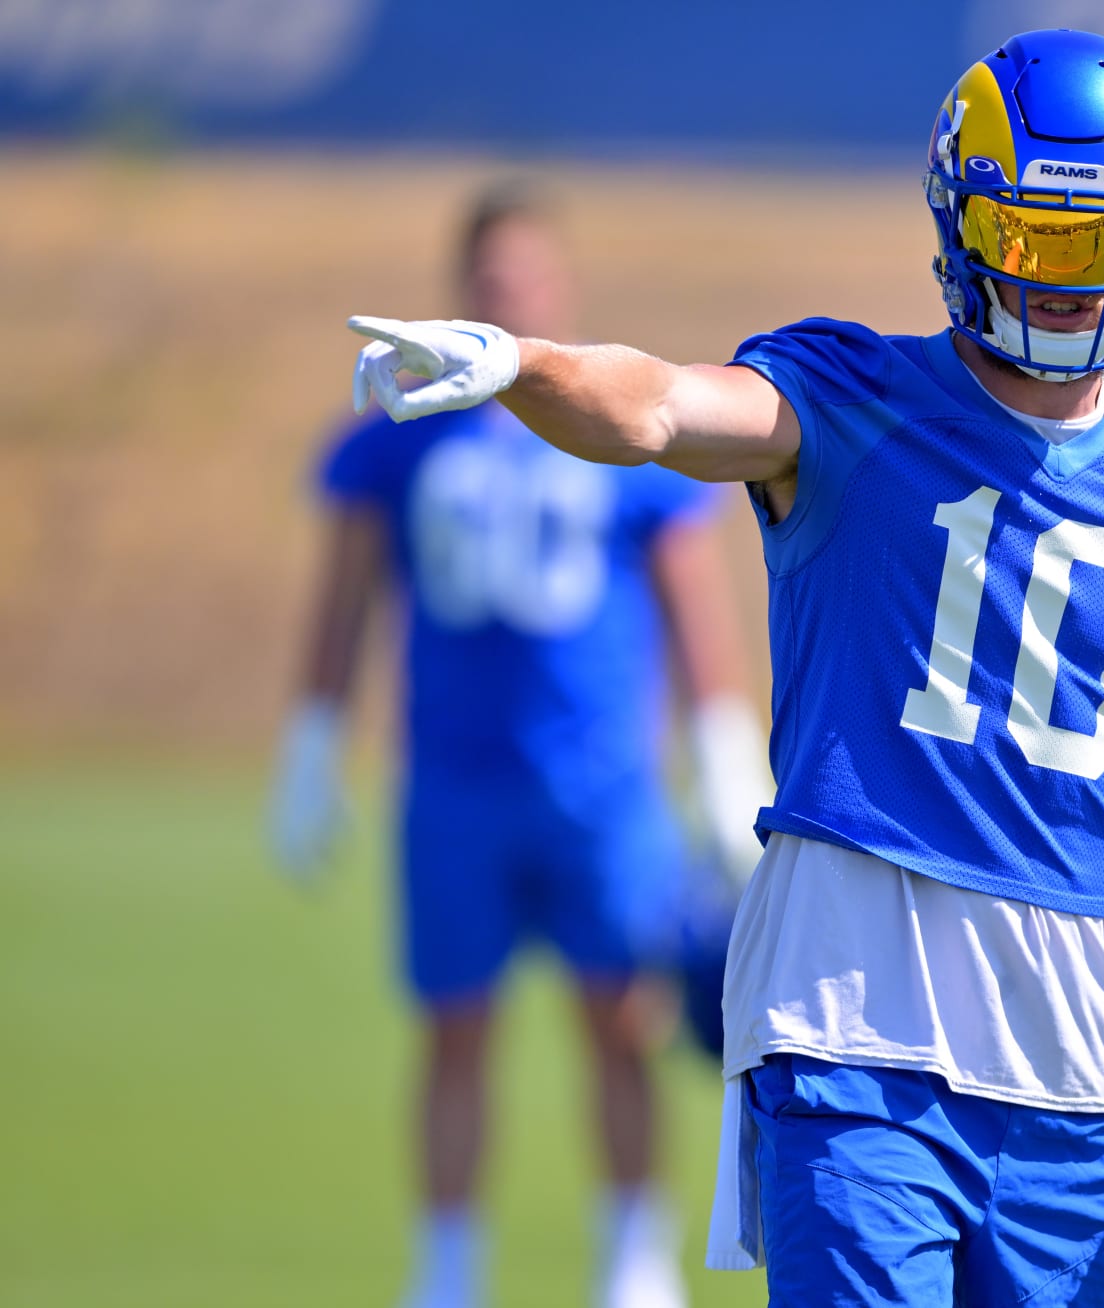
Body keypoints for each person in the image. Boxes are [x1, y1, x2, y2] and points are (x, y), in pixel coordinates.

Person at [344, 29, 1104, 1305]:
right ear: (962, 224)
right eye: (1030, 239)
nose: (1066, 285)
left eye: (1102, 242)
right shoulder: (851, 392)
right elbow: (667, 408)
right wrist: (529, 366)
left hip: (1069, 1038)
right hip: (854, 999)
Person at [270, 184, 769, 1308]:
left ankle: (634, 1256)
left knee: (621, 1021)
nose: (511, 296)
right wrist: (313, 742)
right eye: (491, 281)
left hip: (602, 783)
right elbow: (345, 597)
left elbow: (691, 596)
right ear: (461, 295)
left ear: (560, 290)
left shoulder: (606, 420)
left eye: (529, 279)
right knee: (454, 1028)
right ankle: (447, 1268)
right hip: (454, 782)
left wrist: (725, 750)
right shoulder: (397, 436)